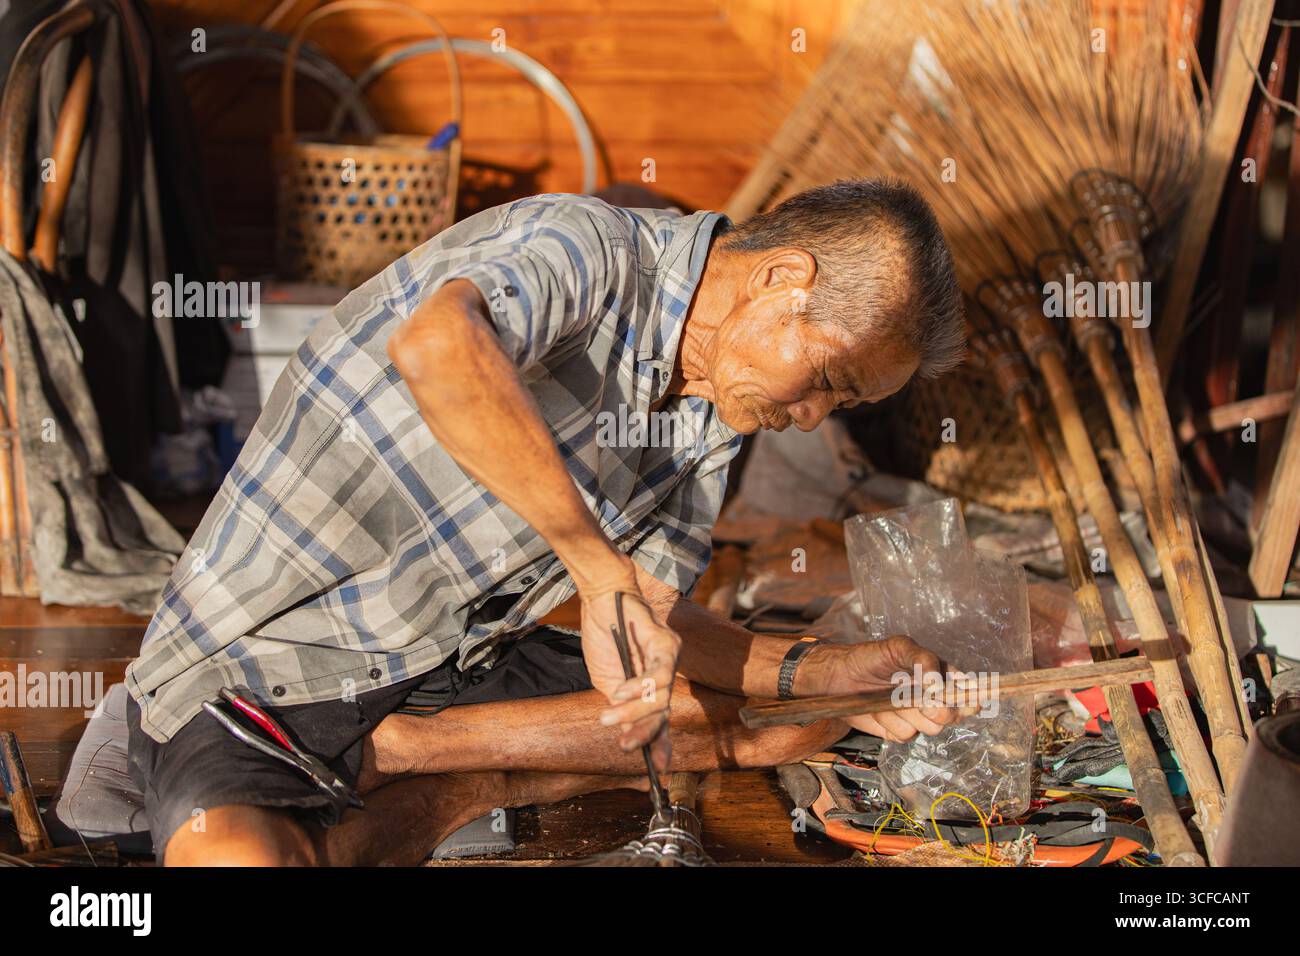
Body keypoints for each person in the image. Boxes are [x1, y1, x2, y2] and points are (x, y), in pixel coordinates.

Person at [127, 179, 969, 865]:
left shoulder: (715, 411)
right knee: (236, 859)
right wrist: (593, 567)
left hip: (450, 661)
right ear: (783, 279)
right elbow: (438, 348)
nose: (818, 415)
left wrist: (826, 672)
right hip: (276, 657)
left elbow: (646, 610)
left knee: (758, 725)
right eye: (828, 378)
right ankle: (436, 770)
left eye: (844, 403)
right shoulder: (589, 246)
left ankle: (451, 773)